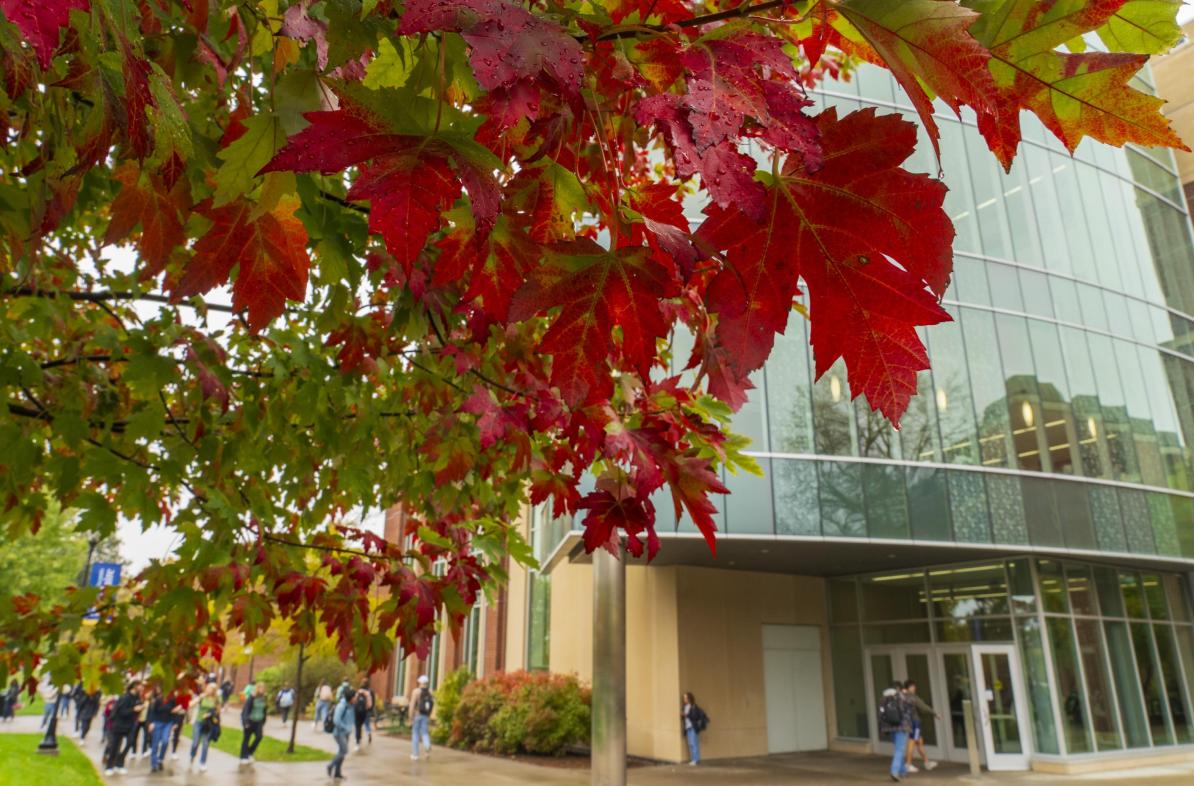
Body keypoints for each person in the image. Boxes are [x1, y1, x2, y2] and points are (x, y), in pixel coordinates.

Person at [104, 681, 144, 776]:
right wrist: (134, 709)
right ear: (134, 686)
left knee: (130, 743)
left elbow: (137, 710)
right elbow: (121, 712)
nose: (142, 688)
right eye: (140, 686)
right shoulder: (125, 697)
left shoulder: (138, 698)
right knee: (115, 746)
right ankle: (109, 766)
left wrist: (140, 709)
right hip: (119, 725)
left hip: (130, 725)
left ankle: (119, 763)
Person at [878, 681, 914, 783]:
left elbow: (880, 714)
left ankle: (902, 771)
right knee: (899, 749)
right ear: (900, 688)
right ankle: (894, 771)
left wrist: (882, 728)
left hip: (890, 728)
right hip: (902, 727)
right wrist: (905, 693)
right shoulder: (902, 697)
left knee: (899, 749)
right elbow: (911, 706)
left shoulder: (883, 699)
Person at [903, 680, 939, 774]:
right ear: (909, 687)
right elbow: (923, 707)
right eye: (912, 686)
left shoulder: (902, 696)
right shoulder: (912, 697)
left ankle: (927, 762)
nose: (914, 688)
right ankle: (908, 765)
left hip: (909, 722)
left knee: (919, 742)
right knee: (912, 742)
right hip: (915, 723)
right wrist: (934, 713)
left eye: (914, 686)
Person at [148, 684, 185, 773]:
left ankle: (160, 759)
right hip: (157, 722)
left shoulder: (171, 699)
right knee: (155, 743)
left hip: (168, 723)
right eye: (157, 688)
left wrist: (175, 722)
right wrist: (151, 723)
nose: (158, 689)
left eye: (159, 687)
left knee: (165, 741)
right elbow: (152, 712)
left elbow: (175, 711)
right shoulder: (156, 700)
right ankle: (154, 764)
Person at [189, 683, 222, 773]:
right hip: (199, 722)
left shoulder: (216, 700)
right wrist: (200, 697)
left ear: (214, 691)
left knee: (205, 743)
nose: (208, 690)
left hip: (208, 724)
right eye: (208, 688)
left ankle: (202, 763)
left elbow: (218, 711)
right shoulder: (202, 697)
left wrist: (210, 714)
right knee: (195, 742)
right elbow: (191, 704)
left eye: (211, 689)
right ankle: (192, 755)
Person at [327, 686, 353, 781]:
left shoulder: (351, 706)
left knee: (342, 752)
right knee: (344, 751)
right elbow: (336, 720)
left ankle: (337, 773)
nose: (356, 699)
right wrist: (345, 728)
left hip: (346, 732)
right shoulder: (341, 706)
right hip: (339, 733)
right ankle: (330, 766)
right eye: (354, 697)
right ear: (351, 698)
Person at [239, 682, 267, 765]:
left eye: (263, 688)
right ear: (257, 688)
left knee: (259, 736)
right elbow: (246, 710)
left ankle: (249, 752)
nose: (262, 689)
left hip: (259, 721)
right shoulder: (252, 697)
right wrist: (246, 722)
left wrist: (263, 720)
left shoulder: (264, 698)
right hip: (250, 721)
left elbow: (264, 709)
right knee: (246, 739)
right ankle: (243, 757)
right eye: (260, 688)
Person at [409, 675, 433, 761]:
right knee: (425, 733)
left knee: (415, 734)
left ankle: (415, 755)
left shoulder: (416, 691)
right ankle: (427, 746)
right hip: (425, 716)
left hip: (417, 715)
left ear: (420, 683)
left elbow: (412, 705)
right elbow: (431, 705)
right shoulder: (430, 692)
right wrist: (428, 715)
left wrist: (410, 717)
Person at [680, 692, 708, 766]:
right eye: (684, 698)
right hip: (688, 727)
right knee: (690, 744)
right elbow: (685, 717)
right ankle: (693, 759)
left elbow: (694, 716)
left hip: (693, 727)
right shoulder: (685, 707)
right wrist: (683, 715)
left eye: (686, 698)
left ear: (689, 698)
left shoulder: (693, 706)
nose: (684, 699)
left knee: (694, 743)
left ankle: (696, 759)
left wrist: (686, 715)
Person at [170, 687, 192, 760]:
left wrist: (180, 707)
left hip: (179, 714)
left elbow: (186, 705)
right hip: (169, 712)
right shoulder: (171, 691)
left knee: (176, 733)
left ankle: (174, 751)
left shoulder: (186, 693)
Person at [352, 680, 373, 750]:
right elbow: (370, 705)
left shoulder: (358, 692)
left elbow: (354, 701)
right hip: (364, 712)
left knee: (358, 727)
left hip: (357, 712)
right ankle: (368, 732)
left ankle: (358, 742)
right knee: (365, 724)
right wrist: (366, 708)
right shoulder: (368, 693)